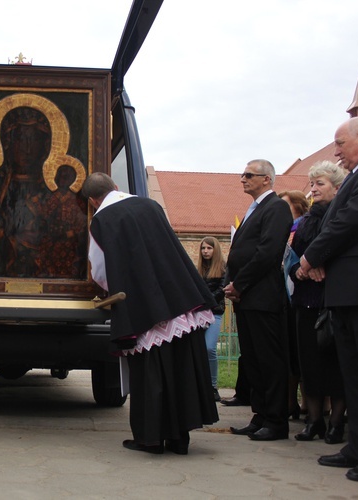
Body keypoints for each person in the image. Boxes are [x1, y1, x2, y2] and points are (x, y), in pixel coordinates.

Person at [83, 172, 218, 455]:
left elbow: (99, 268)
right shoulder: (151, 205)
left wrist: (116, 288)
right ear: (117, 188)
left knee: (152, 372)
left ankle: (151, 439)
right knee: (181, 368)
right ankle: (180, 439)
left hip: (144, 306)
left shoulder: (102, 221)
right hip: (180, 297)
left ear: (94, 201)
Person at [300, 116, 358, 482]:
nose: (337, 151)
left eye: (341, 143)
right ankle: (357, 447)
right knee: (353, 375)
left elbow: (350, 222)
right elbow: (332, 223)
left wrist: (313, 257)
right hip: (344, 290)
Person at [224, 159, 293, 441]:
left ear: (267, 179)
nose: (243, 179)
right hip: (247, 299)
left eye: (249, 174)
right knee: (252, 360)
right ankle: (260, 415)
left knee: (269, 361)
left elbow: (267, 253)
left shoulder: (276, 208)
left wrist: (239, 284)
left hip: (263, 298)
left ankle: (276, 421)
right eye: (243, 174)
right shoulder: (256, 209)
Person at [288, 161, 346, 443]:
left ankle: (336, 423)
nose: (314, 189)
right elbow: (291, 260)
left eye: (320, 184)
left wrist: (317, 264)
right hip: (304, 300)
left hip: (330, 301)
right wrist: (300, 269)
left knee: (335, 365)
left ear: (336, 188)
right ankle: (313, 422)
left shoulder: (339, 216)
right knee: (308, 364)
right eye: (312, 184)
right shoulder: (305, 221)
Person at [278, 189, 310, 421]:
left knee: (300, 355)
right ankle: (294, 402)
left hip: (301, 295)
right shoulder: (285, 230)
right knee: (290, 354)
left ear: (298, 207)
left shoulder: (299, 229)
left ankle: (304, 402)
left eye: (285, 206)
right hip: (286, 296)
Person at [197, 236, 226, 402]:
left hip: (215, 312)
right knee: (199, 350)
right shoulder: (199, 269)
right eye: (203, 248)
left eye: (209, 248)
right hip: (199, 313)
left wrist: (208, 302)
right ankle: (201, 386)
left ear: (215, 250)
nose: (205, 251)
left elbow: (222, 289)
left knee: (209, 348)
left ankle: (213, 386)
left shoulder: (222, 267)